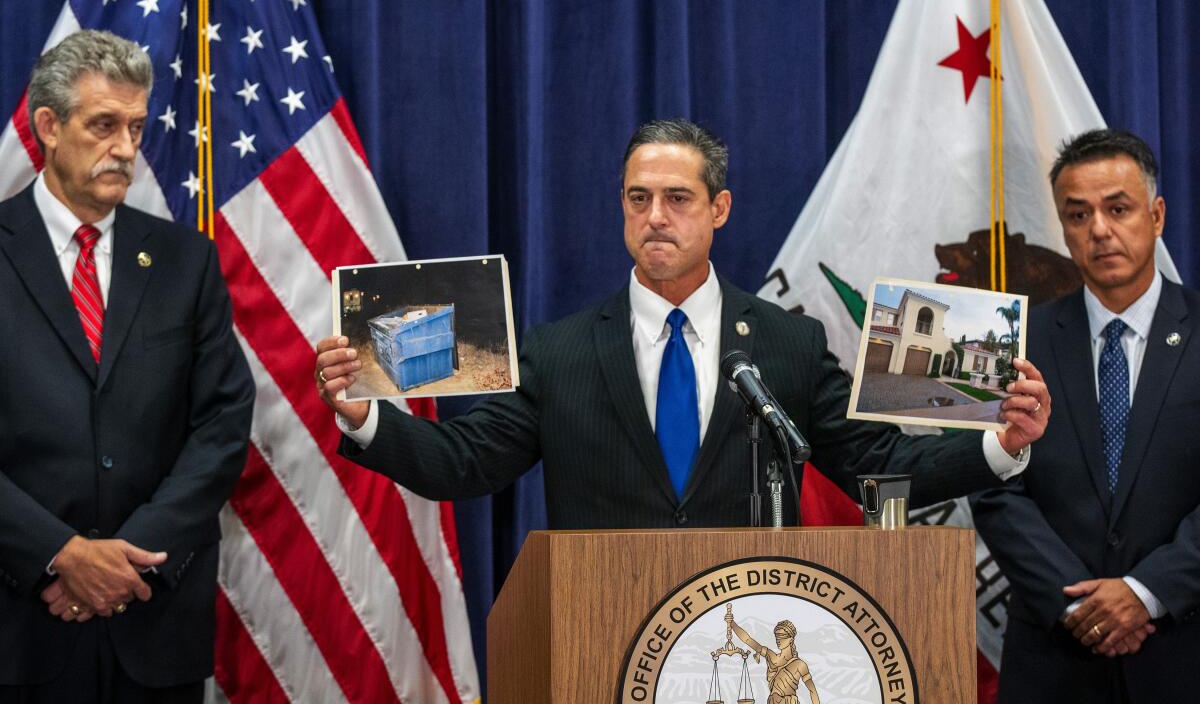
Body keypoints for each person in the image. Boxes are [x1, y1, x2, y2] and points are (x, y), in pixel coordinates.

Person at [315, 118, 1048, 529]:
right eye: (638, 198)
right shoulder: (560, 351)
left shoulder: (789, 343)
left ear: (719, 210)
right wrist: (363, 421)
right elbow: (464, 464)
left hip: (752, 628)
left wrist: (999, 445)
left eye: (677, 198)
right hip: (604, 630)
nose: (655, 217)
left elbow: (874, 468)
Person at [0, 30, 255, 703]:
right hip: (17, 622)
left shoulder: (186, 261)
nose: (126, 149)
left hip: (153, 622)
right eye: (104, 125)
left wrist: (126, 561)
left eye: (137, 127)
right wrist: (62, 556)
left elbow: (223, 426)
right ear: (49, 127)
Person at [971, 129, 1200, 703]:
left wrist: (1147, 591)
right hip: (1055, 656)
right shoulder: (1014, 341)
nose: (1099, 229)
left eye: (1118, 209)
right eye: (1078, 215)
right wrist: (1077, 603)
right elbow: (993, 485)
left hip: (1183, 645)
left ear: (1157, 215)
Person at [728, 618, 820, 704]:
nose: (778, 640)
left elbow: (812, 691)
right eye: (777, 636)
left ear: (791, 639)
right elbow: (748, 640)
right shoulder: (771, 656)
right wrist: (732, 624)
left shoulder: (800, 665)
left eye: (782, 636)